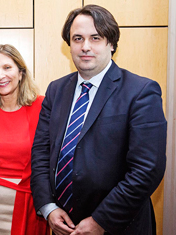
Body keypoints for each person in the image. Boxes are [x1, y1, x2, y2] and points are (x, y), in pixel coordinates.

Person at [31, 4, 167, 235]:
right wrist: (48, 207)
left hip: (119, 226)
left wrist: (101, 221)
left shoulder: (141, 91)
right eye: (77, 38)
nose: (85, 47)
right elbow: (41, 153)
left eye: (95, 37)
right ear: (69, 45)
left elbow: (147, 169)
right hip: (63, 224)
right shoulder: (56, 90)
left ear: (111, 43)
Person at [0, 44, 50, 235]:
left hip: (29, 204)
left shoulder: (42, 106)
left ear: (21, 72)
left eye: (7, 68)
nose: (1, 75)